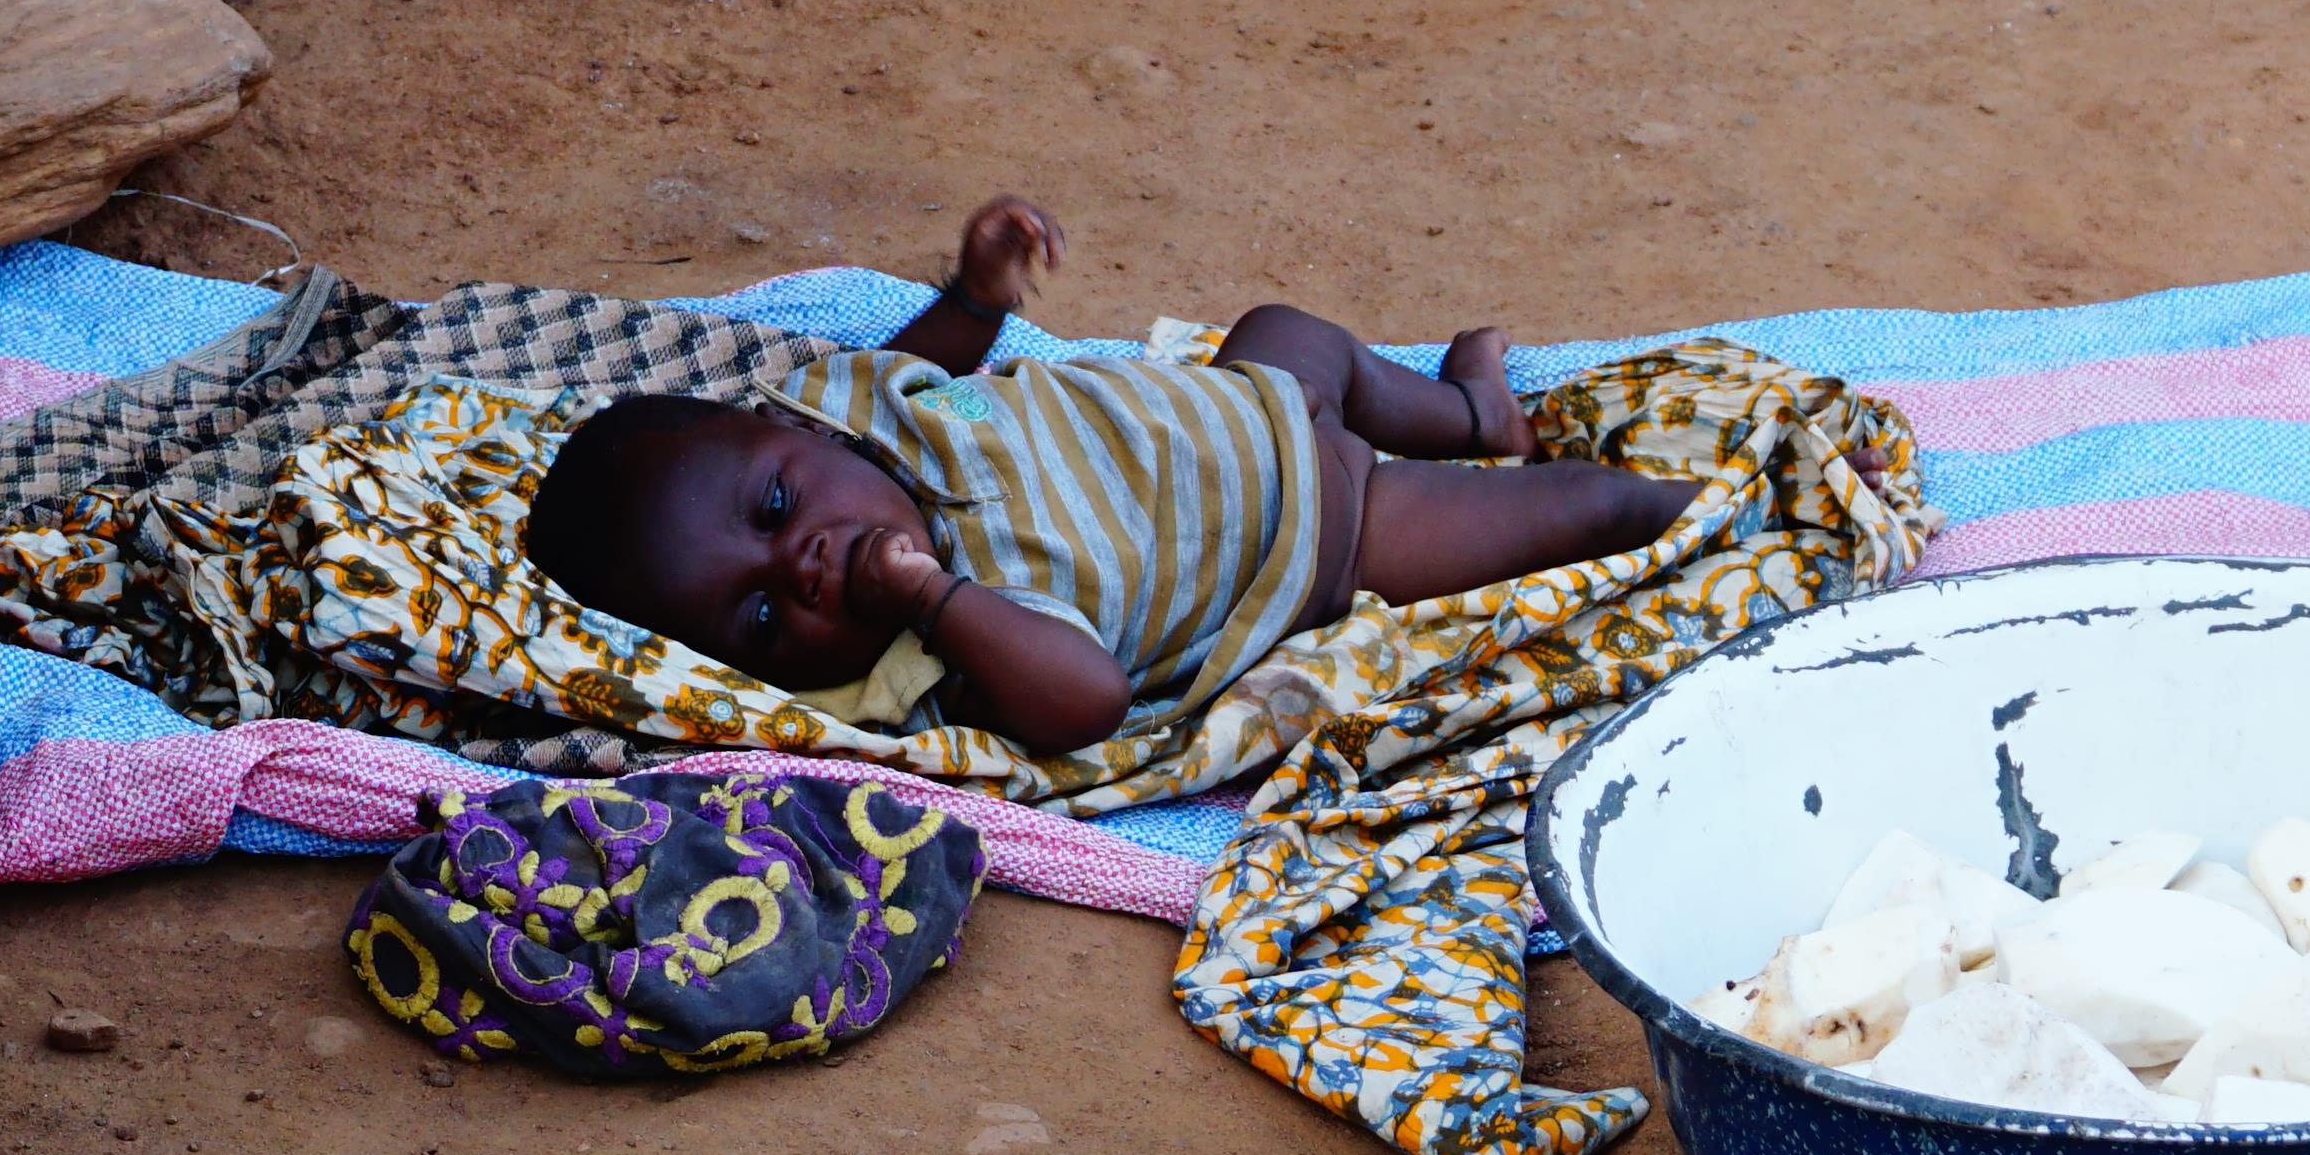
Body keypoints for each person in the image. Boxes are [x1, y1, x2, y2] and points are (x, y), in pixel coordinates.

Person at [514, 201, 1695, 752]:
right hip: (1323, 530)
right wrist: (932, 594)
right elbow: (1085, 702)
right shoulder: (948, 644)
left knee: (1291, 328)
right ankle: (1720, 519)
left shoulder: (859, 414)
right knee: (1577, 511)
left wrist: (976, 296)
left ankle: (1468, 411)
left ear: (795, 435)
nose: (808, 560)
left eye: (777, 507)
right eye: (765, 613)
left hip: (1244, 397)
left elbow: (917, 364)